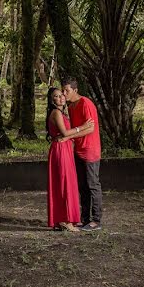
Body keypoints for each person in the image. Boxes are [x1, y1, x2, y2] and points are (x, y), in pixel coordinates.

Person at [45, 88, 92, 232]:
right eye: (56, 97)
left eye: (61, 95)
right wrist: (82, 127)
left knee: (65, 183)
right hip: (60, 150)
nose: (60, 98)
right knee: (64, 184)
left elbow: (66, 135)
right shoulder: (56, 113)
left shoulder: (62, 112)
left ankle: (62, 219)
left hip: (64, 148)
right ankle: (66, 220)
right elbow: (64, 133)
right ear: (52, 100)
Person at [61, 78, 103, 231]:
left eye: (67, 90)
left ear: (75, 90)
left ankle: (96, 220)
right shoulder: (71, 107)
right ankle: (85, 218)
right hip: (78, 150)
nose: (64, 94)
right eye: (63, 91)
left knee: (93, 185)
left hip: (90, 150)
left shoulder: (86, 103)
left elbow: (90, 128)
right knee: (82, 186)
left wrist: (69, 136)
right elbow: (74, 127)